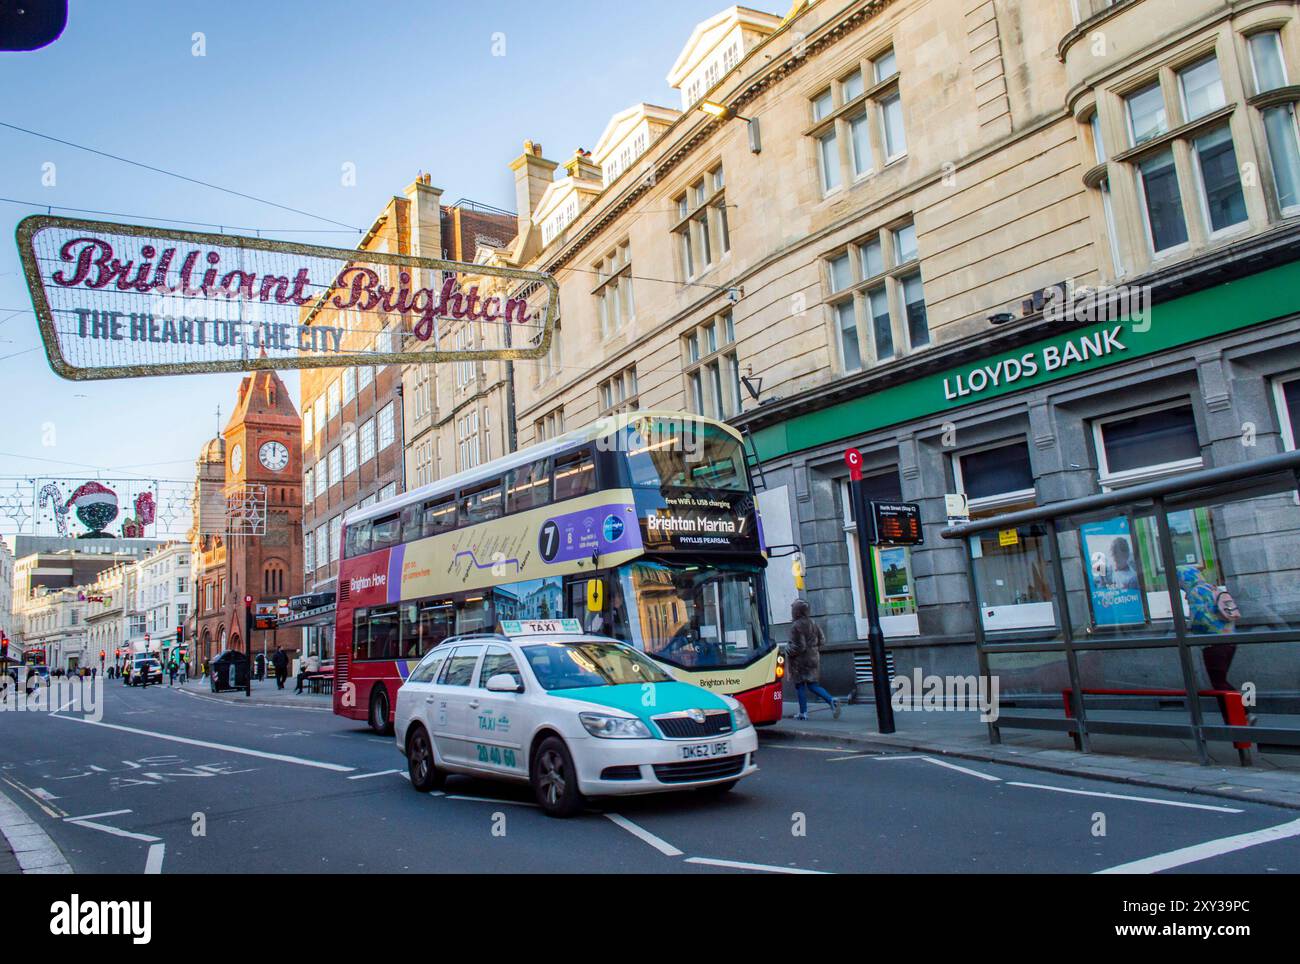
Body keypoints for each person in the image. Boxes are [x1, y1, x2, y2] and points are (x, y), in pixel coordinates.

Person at [1178, 565, 1241, 690]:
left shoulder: (1195, 591)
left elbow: (1199, 618)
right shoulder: (1212, 587)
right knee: (1221, 680)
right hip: (1229, 639)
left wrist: (1190, 630)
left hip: (1213, 642)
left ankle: (1240, 709)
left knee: (1218, 683)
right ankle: (1238, 708)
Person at [787, 599, 840, 720]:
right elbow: (822, 640)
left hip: (800, 662)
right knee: (813, 685)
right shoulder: (813, 623)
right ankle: (831, 700)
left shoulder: (796, 626)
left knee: (800, 686)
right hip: (813, 658)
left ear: (796, 611)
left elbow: (800, 646)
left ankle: (803, 713)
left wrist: (788, 649)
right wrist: (813, 649)